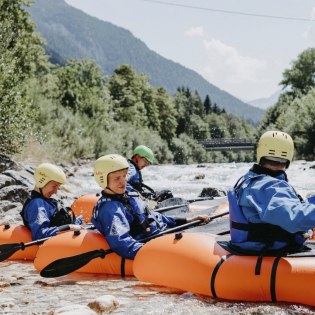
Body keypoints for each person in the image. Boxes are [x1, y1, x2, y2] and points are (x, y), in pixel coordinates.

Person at [92, 154, 210, 259]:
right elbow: (122, 243)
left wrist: (186, 220)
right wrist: (155, 253)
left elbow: (153, 216)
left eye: (124, 175)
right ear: (103, 180)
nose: (123, 182)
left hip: (161, 235)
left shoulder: (128, 192)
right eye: (117, 178)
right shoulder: (110, 209)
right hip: (152, 244)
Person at [228, 130, 315, 254]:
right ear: (289, 158)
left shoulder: (251, 179)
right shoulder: (269, 186)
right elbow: (294, 219)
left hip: (257, 244)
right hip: (270, 248)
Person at [21, 163, 83, 240]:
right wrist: (68, 227)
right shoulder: (36, 204)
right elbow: (40, 234)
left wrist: (76, 222)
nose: (56, 192)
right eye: (54, 186)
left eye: (58, 187)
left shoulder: (45, 201)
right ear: (42, 181)